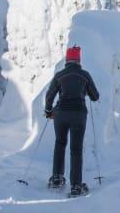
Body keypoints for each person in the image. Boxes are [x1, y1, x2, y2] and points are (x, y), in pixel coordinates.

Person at [45, 45, 100, 197]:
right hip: (78, 115)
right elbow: (95, 96)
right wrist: (83, 91)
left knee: (60, 143)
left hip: (61, 114)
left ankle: (56, 178)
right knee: (76, 150)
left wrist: (49, 111)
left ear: (67, 60)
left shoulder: (59, 75)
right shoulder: (85, 75)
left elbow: (49, 96)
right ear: (79, 60)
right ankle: (76, 186)